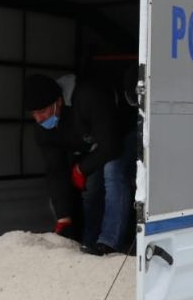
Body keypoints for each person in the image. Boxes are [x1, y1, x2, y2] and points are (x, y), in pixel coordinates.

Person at [24, 72, 135, 256]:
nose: (39, 119)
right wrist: (63, 217)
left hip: (124, 131)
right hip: (97, 144)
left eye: (42, 112)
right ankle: (89, 243)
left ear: (58, 102)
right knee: (91, 189)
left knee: (112, 171)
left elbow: (111, 145)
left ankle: (110, 243)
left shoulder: (87, 97)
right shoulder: (43, 127)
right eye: (34, 114)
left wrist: (81, 168)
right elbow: (55, 168)